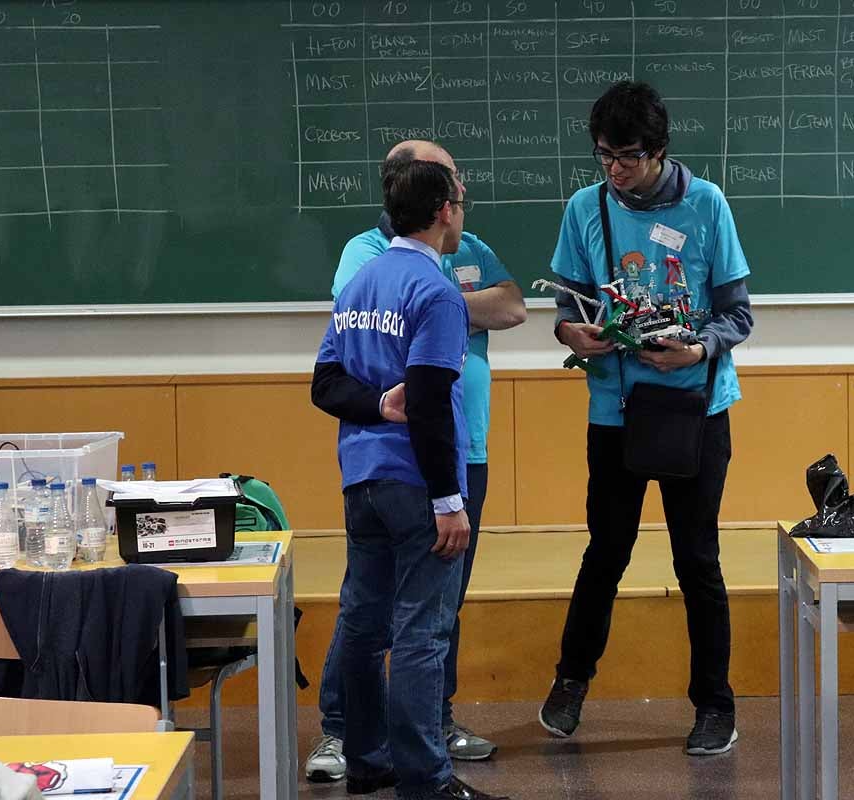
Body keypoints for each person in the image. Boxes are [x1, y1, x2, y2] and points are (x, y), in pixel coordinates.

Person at [538, 80, 754, 756]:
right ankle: (571, 681)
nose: (615, 170)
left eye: (628, 156)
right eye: (604, 156)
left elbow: (738, 315)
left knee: (697, 559)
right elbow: (566, 312)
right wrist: (575, 336)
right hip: (615, 410)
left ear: (658, 151)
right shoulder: (586, 208)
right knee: (606, 551)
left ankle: (715, 705)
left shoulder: (706, 205)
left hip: (694, 408)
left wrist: (696, 347)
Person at [306, 140, 526, 782]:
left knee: (368, 625)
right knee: (422, 634)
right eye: (459, 200)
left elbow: (324, 384)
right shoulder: (434, 289)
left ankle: (368, 762)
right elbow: (430, 399)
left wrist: (376, 405)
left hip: (362, 480)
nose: (463, 210)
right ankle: (425, 779)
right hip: (417, 482)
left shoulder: (363, 284)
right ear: (442, 211)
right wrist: (447, 501)